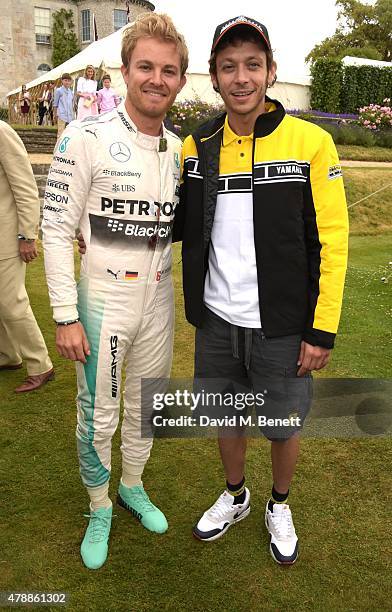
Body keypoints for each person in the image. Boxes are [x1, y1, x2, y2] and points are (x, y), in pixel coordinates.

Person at [174, 16, 349, 564]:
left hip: (283, 323)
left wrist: (320, 329)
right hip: (218, 319)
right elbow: (177, 220)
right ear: (214, 76)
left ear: (271, 72)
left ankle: (278, 503)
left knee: (280, 424)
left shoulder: (312, 143)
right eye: (229, 67)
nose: (241, 77)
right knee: (225, 416)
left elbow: (333, 241)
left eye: (253, 65)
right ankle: (236, 496)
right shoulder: (196, 143)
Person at [42, 13, 187, 570]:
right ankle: (98, 504)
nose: (157, 78)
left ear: (179, 79)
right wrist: (63, 313)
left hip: (159, 299)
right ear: (125, 71)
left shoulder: (180, 149)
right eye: (146, 66)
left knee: (146, 406)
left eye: (168, 70)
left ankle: (131, 485)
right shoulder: (87, 136)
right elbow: (55, 229)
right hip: (103, 299)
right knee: (98, 412)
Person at [0, 121, 54, 392]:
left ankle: (41, 365)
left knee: (12, 303)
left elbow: (25, 187)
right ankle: (8, 356)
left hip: (6, 237)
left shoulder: (1, 132)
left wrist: (27, 235)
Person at [53, 73, 74, 138]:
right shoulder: (59, 91)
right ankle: (58, 147)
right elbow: (55, 104)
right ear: (62, 81)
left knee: (69, 133)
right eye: (65, 80)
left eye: (68, 80)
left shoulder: (71, 92)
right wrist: (55, 114)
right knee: (60, 133)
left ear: (70, 81)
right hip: (62, 115)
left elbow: (71, 104)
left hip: (69, 116)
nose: (67, 82)